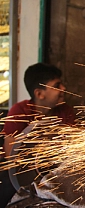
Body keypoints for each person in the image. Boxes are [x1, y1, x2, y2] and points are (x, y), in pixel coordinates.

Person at [0, 63, 75, 207]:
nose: (63, 89)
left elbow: (72, 146)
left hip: (54, 169)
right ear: (39, 94)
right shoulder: (18, 112)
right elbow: (11, 155)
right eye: (57, 85)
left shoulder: (66, 111)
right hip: (18, 172)